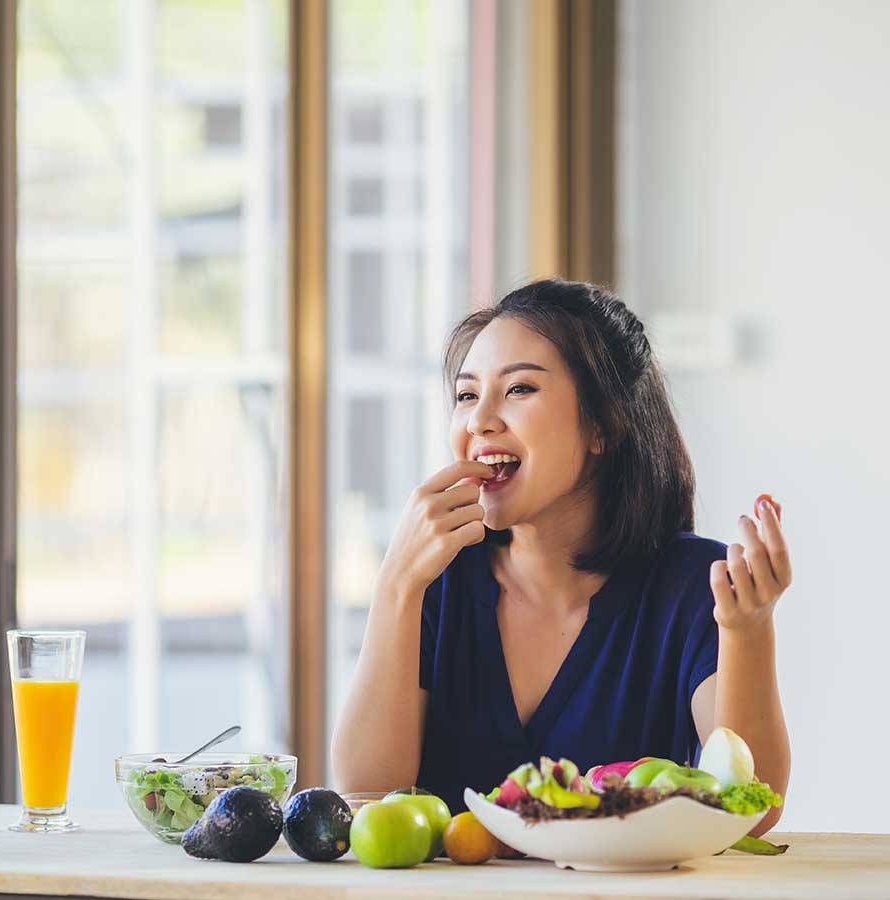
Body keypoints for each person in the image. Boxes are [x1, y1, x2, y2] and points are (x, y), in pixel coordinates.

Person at [330, 279, 791, 837]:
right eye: (467, 395)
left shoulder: (693, 586)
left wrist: (748, 629)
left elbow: (752, 813)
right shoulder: (437, 579)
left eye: (519, 389)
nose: (479, 421)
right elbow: (365, 795)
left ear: (603, 424)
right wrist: (395, 586)